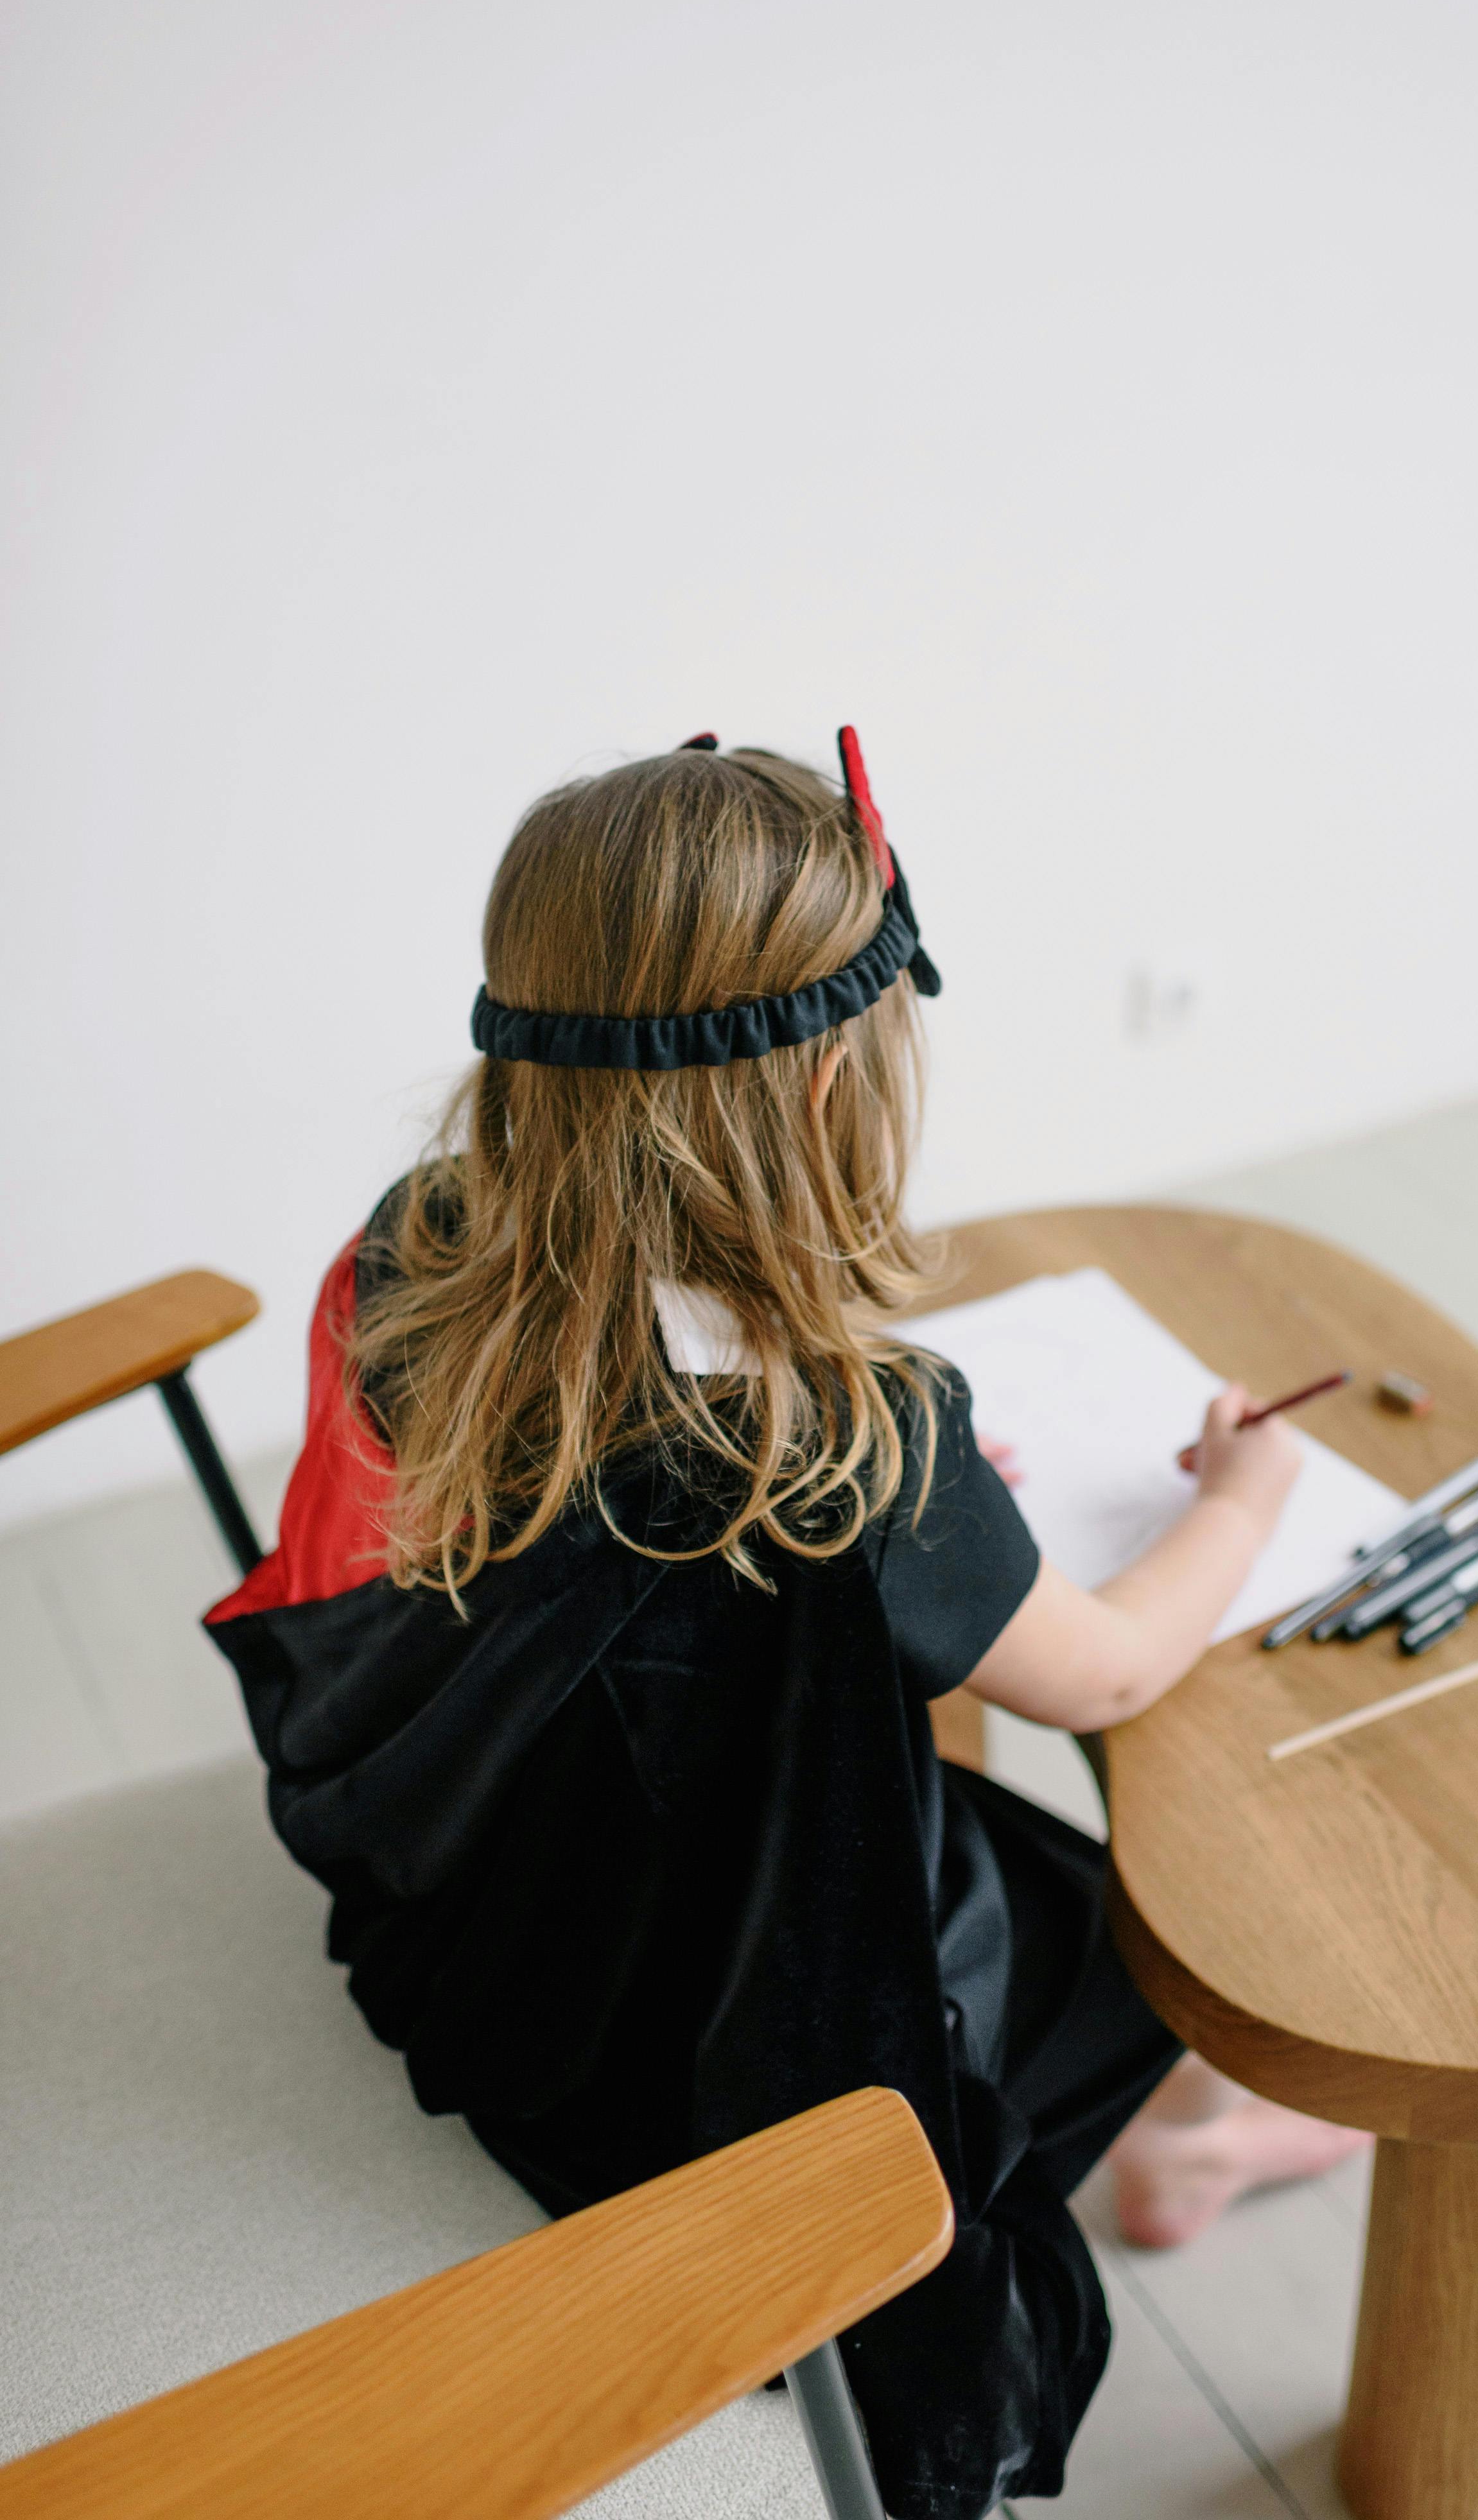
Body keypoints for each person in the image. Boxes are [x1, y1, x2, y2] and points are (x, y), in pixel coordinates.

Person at [205, 732, 1360, 2520]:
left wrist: (928, 1506)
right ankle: (1208, 2128)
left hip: (501, 1878)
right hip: (722, 2039)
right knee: (1122, 1919)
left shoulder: (417, 1253)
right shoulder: (849, 1446)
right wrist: (1241, 1504)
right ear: (833, 1097)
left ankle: (1200, 2135)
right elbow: (1115, 1668)